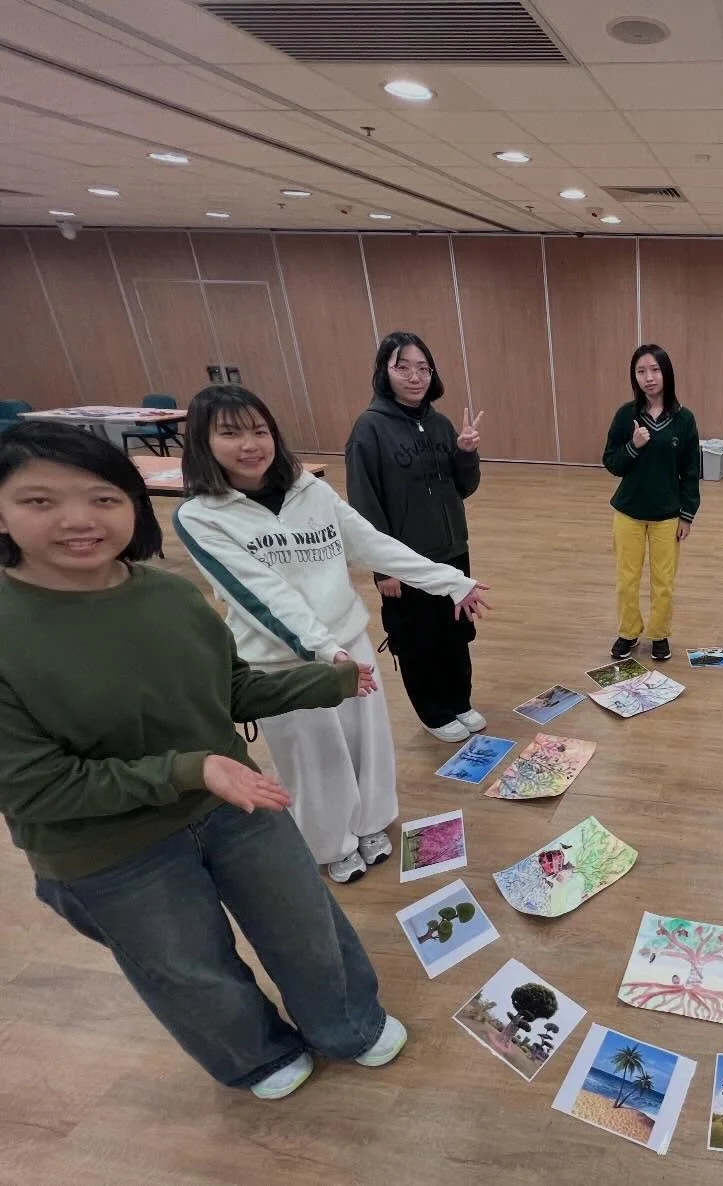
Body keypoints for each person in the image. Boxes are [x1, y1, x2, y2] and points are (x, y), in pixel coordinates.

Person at [0, 422, 409, 1101]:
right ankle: (254, 1057)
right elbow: (35, 788)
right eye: (40, 501)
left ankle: (347, 1024)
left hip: (233, 800)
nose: (78, 520)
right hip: (106, 849)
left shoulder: (168, 595)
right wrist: (191, 770)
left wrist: (330, 679)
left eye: (102, 498)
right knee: (188, 966)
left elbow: (227, 687)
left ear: (131, 504)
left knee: (306, 923)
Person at [174, 386, 489, 883]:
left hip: (348, 640)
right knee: (316, 759)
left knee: (368, 745)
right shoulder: (199, 516)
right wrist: (327, 652)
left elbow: (372, 544)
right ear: (202, 441)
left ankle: (369, 824)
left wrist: (452, 582)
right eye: (230, 433)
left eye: (259, 430)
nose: (250, 444)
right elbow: (261, 597)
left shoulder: (310, 489)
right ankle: (331, 843)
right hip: (284, 664)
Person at [345, 330, 485, 743]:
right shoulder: (369, 430)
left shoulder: (441, 424)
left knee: (456, 633)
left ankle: (459, 701)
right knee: (418, 640)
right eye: (402, 367)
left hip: (451, 552)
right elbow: (364, 506)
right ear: (384, 372)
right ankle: (433, 711)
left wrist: (464, 451)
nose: (414, 376)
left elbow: (464, 487)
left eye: (423, 368)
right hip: (404, 563)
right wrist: (382, 570)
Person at [602, 343, 701, 662]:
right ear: (635, 376)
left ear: (666, 373)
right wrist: (633, 444)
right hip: (628, 512)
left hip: (667, 515)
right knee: (626, 581)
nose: (649, 377)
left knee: (664, 582)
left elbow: (690, 471)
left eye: (655, 370)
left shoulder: (684, 419)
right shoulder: (625, 415)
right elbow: (611, 462)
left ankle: (659, 635)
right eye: (641, 371)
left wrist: (687, 515)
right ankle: (628, 632)